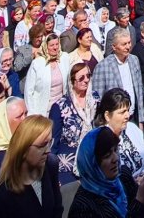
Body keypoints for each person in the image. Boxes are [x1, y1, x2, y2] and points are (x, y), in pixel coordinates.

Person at [68, 126, 144, 218]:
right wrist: (140, 202)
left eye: (115, 150)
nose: (115, 158)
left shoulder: (123, 177)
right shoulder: (82, 207)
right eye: (107, 156)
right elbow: (139, 205)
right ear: (92, 164)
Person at [0, 115, 62, 217]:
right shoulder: (1, 198)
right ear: (23, 148)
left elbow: (57, 209)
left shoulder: (50, 166)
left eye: (49, 143)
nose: (48, 150)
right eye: (41, 146)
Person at [49, 62, 96, 212]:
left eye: (88, 76)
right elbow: (53, 144)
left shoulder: (96, 100)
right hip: (68, 168)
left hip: (92, 164)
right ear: (72, 81)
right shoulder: (60, 106)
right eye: (81, 78)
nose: (86, 80)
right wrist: (53, 176)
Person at [92, 89, 144, 193]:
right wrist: (133, 184)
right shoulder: (98, 140)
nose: (127, 116)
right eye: (122, 112)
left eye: (128, 110)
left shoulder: (132, 128)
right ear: (107, 115)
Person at [89, 29, 144, 127]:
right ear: (114, 47)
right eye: (124, 44)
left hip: (132, 118)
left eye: (129, 43)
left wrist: (141, 121)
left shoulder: (134, 60)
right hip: (113, 122)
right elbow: (97, 99)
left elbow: (139, 92)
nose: (128, 47)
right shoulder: (103, 66)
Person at [26, 34, 70, 117]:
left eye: (57, 44)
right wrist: (32, 112)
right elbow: (29, 90)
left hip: (61, 108)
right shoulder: (37, 63)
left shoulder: (64, 58)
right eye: (52, 45)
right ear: (46, 46)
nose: (55, 47)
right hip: (42, 109)